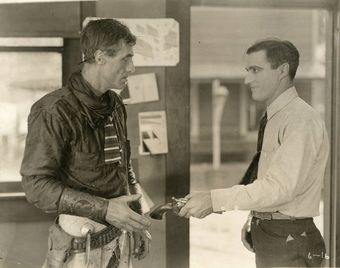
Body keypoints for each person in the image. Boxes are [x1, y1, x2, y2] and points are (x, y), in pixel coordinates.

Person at [179, 39, 329, 267]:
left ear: (283, 70)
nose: (247, 79)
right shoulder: (275, 116)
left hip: (288, 237)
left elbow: (280, 188)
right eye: (247, 70)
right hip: (272, 233)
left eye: (255, 70)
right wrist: (255, 218)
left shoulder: (300, 120)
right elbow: (267, 177)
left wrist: (214, 199)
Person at [20, 18, 151, 268]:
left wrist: (137, 221)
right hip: (77, 248)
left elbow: (124, 168)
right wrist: (104, 209)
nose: (132, 68)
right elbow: (35, 185)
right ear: (100, 57)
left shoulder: (115, 105)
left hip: (119, 241)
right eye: (126, 58)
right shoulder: (53, 110)